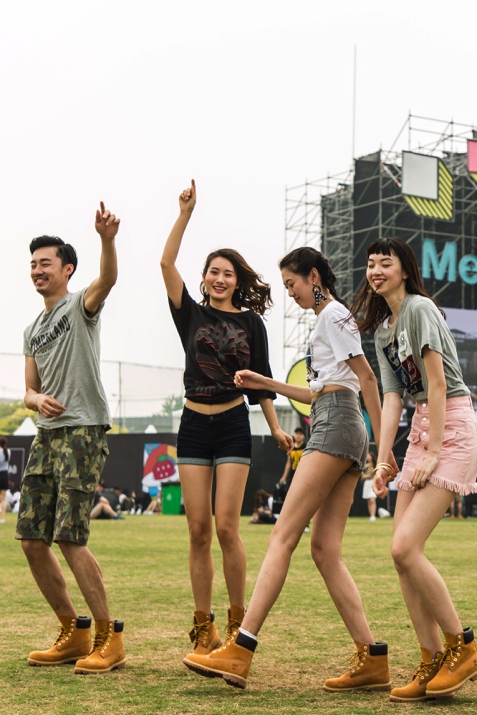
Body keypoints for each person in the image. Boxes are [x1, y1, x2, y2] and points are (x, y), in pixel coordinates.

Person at [185, 245, 387, 693]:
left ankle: (241, 648)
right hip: (340, 419)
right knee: (324, 551)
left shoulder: (333, 314)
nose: (290, 293)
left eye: (292, 284)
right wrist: (264, 383)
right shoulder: (328, 320)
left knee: (282, 536)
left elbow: (367, 378)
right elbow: (320, 391)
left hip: (337, 425)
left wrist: (384, 449)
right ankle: (371, 656)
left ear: (313, 277)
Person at [159, 180, 291, 668]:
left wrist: (276, 426)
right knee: (197, 530)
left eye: (227, 274)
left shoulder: (252, 323)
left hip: (234, 425)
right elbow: (165, 264)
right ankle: (203, 624)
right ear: (205, 278)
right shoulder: (189, 315)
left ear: (238, 281)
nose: (220, 279)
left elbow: (261, 381)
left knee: (228, 528)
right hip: (194, 425)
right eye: (213, 272)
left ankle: (238, 624)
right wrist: (185, 215)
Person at [355, 237, 477, 702]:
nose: (375, 270)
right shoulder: (383, 329)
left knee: (408, 547)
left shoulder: (420, 308)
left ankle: (461, 648)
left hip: (450, 422)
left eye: (384, 263)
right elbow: (392, 398)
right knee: (399, 552)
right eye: (370, 264)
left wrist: (431, 449)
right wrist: (383, 458)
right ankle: (430, 660)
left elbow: (437, 381)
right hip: (421, 425)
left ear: (404, 270)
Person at [17, 208, 125, 675]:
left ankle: (108, 636)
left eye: (47, 263)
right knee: (30, 540)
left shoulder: (81, 305)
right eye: (34, 264)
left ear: (67, 270)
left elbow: (110, 278)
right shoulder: (32, 330)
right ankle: (73, 630)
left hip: (83, 431)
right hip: (47, 436)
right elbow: (26, 390)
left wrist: (107, 239)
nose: (39, 270)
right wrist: (36, 398)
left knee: (69, 535)